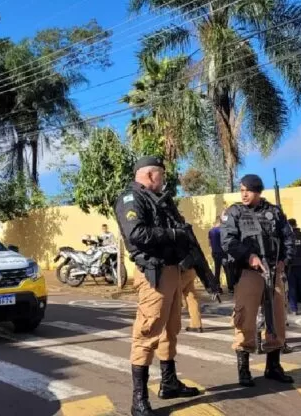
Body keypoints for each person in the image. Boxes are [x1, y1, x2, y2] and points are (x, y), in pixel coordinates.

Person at [114, 156, 200, 416]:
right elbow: (137, 234)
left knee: (170, 329)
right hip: (154, 273)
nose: (163, 180)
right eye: (161, 175)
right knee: (148, 331)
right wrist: (173, 235)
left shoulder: (160, 201)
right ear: (150, 175)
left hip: (172, 270)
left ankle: (169, 382)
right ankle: (138, 400)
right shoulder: (131, 199)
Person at [221, 174, 295, 387]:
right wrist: (249, 256)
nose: (244, 194)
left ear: (258, 192)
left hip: (273, 272)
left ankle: (273, 366)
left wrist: (284, 260)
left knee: (277, 319)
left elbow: (288, 238)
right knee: (245, 319)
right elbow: (228, 241)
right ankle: (244, 369)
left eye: (248, 190)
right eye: (241, 189)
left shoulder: (274, 212)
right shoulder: (234, 212)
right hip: (249, 273)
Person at [209, 217, 232, 293]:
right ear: (220, 221)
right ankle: (230, 288)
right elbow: (225, 242)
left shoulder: (211, 231)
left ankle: (217, 288)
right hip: (223, 253)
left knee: (217, 270)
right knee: (227, 270)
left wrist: (212, 251)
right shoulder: (222, 230)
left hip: (215, 253)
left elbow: (209, 243)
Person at [181, 267, 204, 333]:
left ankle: (166, 327)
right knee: (191, 297)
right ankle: (196, 324)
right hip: (191, 269)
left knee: (173, 295)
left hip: (180, 271)